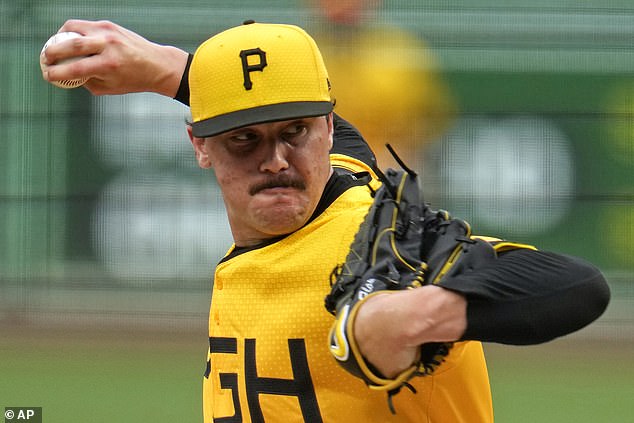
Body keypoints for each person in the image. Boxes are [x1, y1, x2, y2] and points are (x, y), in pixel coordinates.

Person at [41, 19, 610, 422]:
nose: (276, 160)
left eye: (296, 133)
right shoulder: (332, 176)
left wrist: (413, 314)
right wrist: (169, 67)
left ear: (329, 130)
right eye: (244, 139)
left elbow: (578, 286)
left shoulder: (384, 246)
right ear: (200, 146)